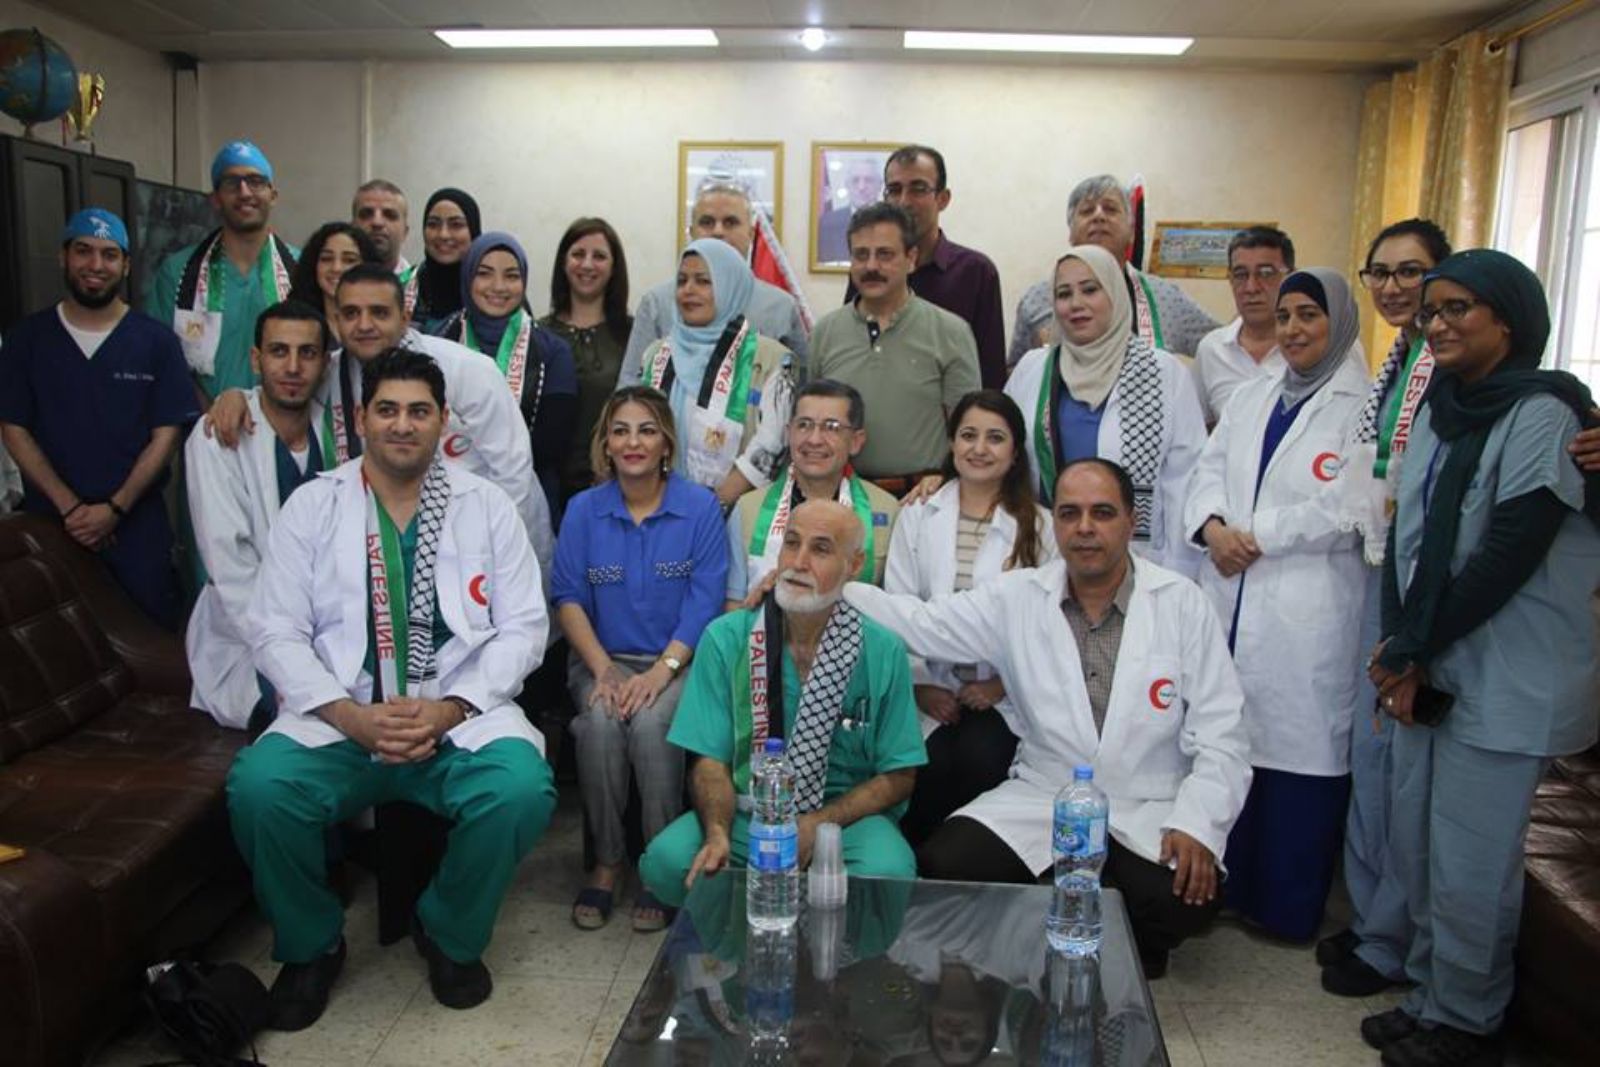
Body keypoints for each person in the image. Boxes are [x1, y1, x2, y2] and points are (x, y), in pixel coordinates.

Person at [229, 349, 556, 1027]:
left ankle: (448, 930)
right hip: (341, 719)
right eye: (387, 410)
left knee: (521, 790)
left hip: (457, 718)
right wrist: (348, 716)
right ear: (361, 418)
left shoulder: (487, 505)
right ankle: (313, 944)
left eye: (418, 411)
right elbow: (275, 630)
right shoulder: (314, 505)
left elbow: (525, 625)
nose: (402, 425)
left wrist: (451, 708)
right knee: (259, 790)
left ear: (442, 421)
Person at [845, 458, 1252, 977]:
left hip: (1147, 800)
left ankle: (1130, 938)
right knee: (948, 864)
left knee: (1185, 898)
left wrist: (1196, 823)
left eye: (1102, 513)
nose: (1085, 528)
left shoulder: (1180, 603)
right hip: (1046, 792)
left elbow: (1222, 733)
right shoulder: (1019, 596)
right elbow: (922, 624)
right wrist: (833, 586)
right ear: (1053, 521)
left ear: (1131, 521)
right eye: (1069, 513)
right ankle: (1049, 929)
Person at [1360, 250, 1600, 1067]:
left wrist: (1410, 648)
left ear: (1510, 318)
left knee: (1472, 862)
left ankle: (1467, 1021)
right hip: (1432, 664)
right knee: (1421, 846)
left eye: (1458, 308)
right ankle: (1431, 994)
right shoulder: (1442, 405)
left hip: (1504, 674)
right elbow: (1405, 535)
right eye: (1432, 311)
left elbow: (1507, 555)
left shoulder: (1546, 412)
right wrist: (1400, 643)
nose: (1436, 323)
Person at [1183, 268, 1371, 942]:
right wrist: (1212, 528)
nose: (1292, 329)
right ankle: (1226, 891)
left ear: (1338, 323)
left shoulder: (1362, 404)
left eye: (1308, 316)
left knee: (1300, 754)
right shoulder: (1254, 394)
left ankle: (1287, 909)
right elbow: (1205, 470)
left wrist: (1256, 534)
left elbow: (1352, 503)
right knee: (1231, 741)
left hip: (1308, 604)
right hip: (1232, 589)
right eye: (1285, 316)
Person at [638, 499, 927, 908]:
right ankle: (732, 943)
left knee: (888, 874)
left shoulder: (882, 649)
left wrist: (818, 824)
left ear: (855, 564)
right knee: (667, 862)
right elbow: (709, 762)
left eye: (821, 549)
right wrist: (718, 832)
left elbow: (899, 775)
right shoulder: (727, 637)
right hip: (748, 812)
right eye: (792, 543)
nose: (799, 562)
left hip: (844, 821)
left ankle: (840, 948)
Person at [204, 265, 554, 575]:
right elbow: (281, 389)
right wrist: (234, 397)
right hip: (388, 545)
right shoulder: (329, 372)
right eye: (351, 313)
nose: (364, 325)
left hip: (485, 536)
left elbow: (513, 474)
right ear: (336, 320)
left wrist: (490, 554)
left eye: (379, 313)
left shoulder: (467, 370)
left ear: (404, 317)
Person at [1318, 218, 1452, 995]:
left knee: (1402, 768)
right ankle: (1376, 924)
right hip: (1380, 566)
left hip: (1423, 586)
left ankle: (1395, 939)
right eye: (1383, 272)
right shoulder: (1398, 360)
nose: (1395, 286)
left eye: (1412, 272)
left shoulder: (1455, 367)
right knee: (1372, 756)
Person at [551, 386, 727, 933]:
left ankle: (659, 866)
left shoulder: (699, 507)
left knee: (652, 727)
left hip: (678, 661)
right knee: (601, 723)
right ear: (605, 442)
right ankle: (607, 863)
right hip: (600, 658)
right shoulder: (583, 510)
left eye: (647, 430)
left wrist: (662, 671)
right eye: (620, 431)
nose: (633, 442)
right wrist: (603, 669)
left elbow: (706, 600)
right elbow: (568, 598)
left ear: (666, 443)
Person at [0, 209, 197, 628]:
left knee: (151, 639)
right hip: (52, 526)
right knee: (59, 645)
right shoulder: (27, 340)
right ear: (63, 257)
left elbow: (167, 434)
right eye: (83, 251)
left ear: (125, 265)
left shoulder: (156, 342)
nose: (95, 265)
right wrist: (71, 509)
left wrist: (115, 508)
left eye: (109, 255)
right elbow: (13, 427)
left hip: (136, 528)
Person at [887, 389, 1057, 846]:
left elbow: (1046, 625)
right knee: (928, 765)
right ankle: (919, 869)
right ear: (951, 443)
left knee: (982, 758)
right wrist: (920, 685)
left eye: (995, 438)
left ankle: (960, 866)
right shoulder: (919, 513)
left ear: (1015, 452)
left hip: (1004, 692)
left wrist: (1001, 684)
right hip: (930, 687)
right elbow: (899, 606)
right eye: (968, 435)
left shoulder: (1040, 527)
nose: (979, 448)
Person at [1005, 244, 1207, 578]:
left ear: (1115, 293)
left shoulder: (1162, 372)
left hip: (1141, 561)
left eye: (1090, 289)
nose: (1076, 304)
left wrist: (1179, 572)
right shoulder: (1033, 369)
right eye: (1064, 294)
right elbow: (1004, 455)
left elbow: (1184, 479)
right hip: (1046, 555)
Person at [186, 301, 333, 729]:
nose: (293, 367)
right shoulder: (218, 437)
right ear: (256, 359)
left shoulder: (337, 430)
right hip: (247, 646)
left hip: (332, 635)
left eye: (307, 353)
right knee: (307, 719)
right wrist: (294, 655)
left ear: (325, 364)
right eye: (278, 351)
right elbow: (230, 569)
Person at [810, 203, 982, 492]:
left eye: (885, 254)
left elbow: (970, 428)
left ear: (911, 259)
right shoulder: (824, 333)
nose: (871, 266)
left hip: (921, 497)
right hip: (840, 494)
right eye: (861, 255)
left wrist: (948, 477)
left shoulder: (950, 332)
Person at [631, 237, 795, 505]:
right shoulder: (656, 354)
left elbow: (771, 444)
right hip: (659, 505)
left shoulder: (771, 359)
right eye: (682, 281)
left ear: (731, 287)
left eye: (704, 281)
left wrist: (711, 506)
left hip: (738, 508)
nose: (688, 290)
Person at [433, 231, 578, 517]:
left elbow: (553, 443)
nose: (498, 286)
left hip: (528, 498)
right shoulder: (440, 337)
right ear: (467, 277)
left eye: (511, 276)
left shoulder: (552, 351)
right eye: (484, 274)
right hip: (445, 494)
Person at [1008, 175, 1218, 368]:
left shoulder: (1166, 296)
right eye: (1087, 211)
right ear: (1071, 232)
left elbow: (1224, 345)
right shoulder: (1037, 299)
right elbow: (1014, 374)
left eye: (1110, 209)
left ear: (1131, 231)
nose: (1099, 216)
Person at [842, 146, 1006, 389]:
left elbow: (990, 375)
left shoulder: (976, 272)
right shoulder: (871, 272)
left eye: (918, 189)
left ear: (943, 199)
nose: (903, 202)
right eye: (894, 190)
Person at [725, 378, 900, 606]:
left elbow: (894, 607)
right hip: (764, 627)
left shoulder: (887, 510)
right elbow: (734, 604)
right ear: (789, 433)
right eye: (804, 425)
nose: (815, 439)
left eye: (832, 427)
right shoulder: (747, 508)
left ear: (856, 442)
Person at [147, 140, 297, 399]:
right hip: (202, 418)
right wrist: (211, 414)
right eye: (231, 183)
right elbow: (162, 358)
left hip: (284, 417)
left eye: (256, 182)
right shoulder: (178, 272)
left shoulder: (301, 268)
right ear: (215, 199)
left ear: (273, 195)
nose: (245, 192)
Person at [621, 180, 809, 380]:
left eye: (730, 222)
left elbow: (803, 385)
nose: (718, 232)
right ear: (692, 232)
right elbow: (630, 385)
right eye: (707, 222)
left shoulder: (781, 307)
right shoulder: (657, 304)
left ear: (751, 234)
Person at [541, 217, 633, 502]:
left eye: (599, 256)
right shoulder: (537, 333)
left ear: (614, 267)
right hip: (546, 487)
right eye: (578, 254)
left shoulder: (633, 335)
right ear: (563, 262)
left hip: (616, 483)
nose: (587, 264)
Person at [1192, 226, 1294, 425]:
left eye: (1266, 273)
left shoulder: (1314, 345)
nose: (1251, 287)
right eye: (1240, 274)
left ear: (1290, 277)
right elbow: (1198, 427)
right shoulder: (1212, 350)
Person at [287, 222, 381, 342]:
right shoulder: (293, 325)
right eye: (327, 259)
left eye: (349, 260)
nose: (336, 268)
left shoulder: (382, 326)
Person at [403, 187, 481, 330]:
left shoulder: (492, 289)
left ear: (473, 231)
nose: (443, 235)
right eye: (433, 224)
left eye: (456, 225)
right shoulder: (401, 286)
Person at [816, 154, 883, 264]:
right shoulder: (827, 223)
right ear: (847, 185)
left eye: (869, 180)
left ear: (880, 185)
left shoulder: (893, 222)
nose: (861, 187)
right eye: (855, 180)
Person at [351, 178, 410, 274]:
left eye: (390, 215)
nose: (377, 222)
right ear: (352, 228)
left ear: (405, 232)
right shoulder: (333, 279)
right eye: (366, 214)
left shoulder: (422, 283)